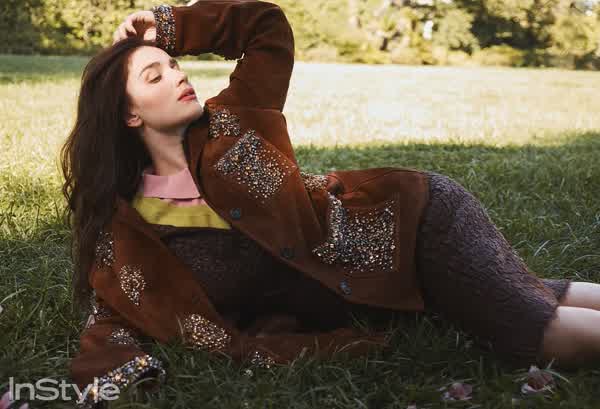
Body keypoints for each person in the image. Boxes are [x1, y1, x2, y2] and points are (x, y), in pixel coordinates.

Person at [61, 1, 600, 407]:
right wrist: (116, 375)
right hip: (388, 284)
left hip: (414, 222)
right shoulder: (130, 226)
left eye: (174, 64)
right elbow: (113, 311)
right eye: (154, 75)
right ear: (130, 115)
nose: (178, 74)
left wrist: (172, 25)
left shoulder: (235, 118)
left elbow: (267, 28)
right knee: (522, 290)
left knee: (533, 334)